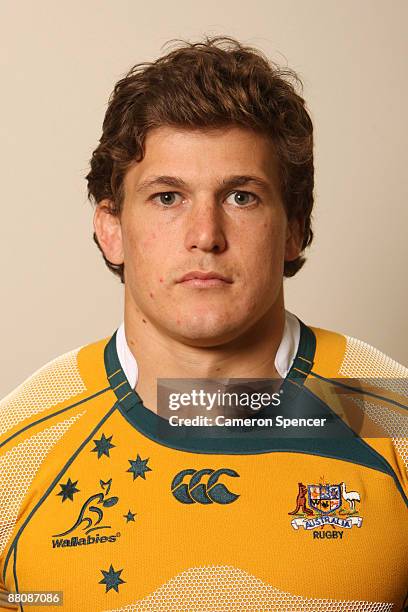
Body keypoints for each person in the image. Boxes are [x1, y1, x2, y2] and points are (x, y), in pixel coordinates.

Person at [0, 36, 407, 612]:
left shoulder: (395, 420)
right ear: (111, 228)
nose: (205, 235)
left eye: (242, 196)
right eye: (167, 198)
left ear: (294, 228)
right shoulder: (16, 451)